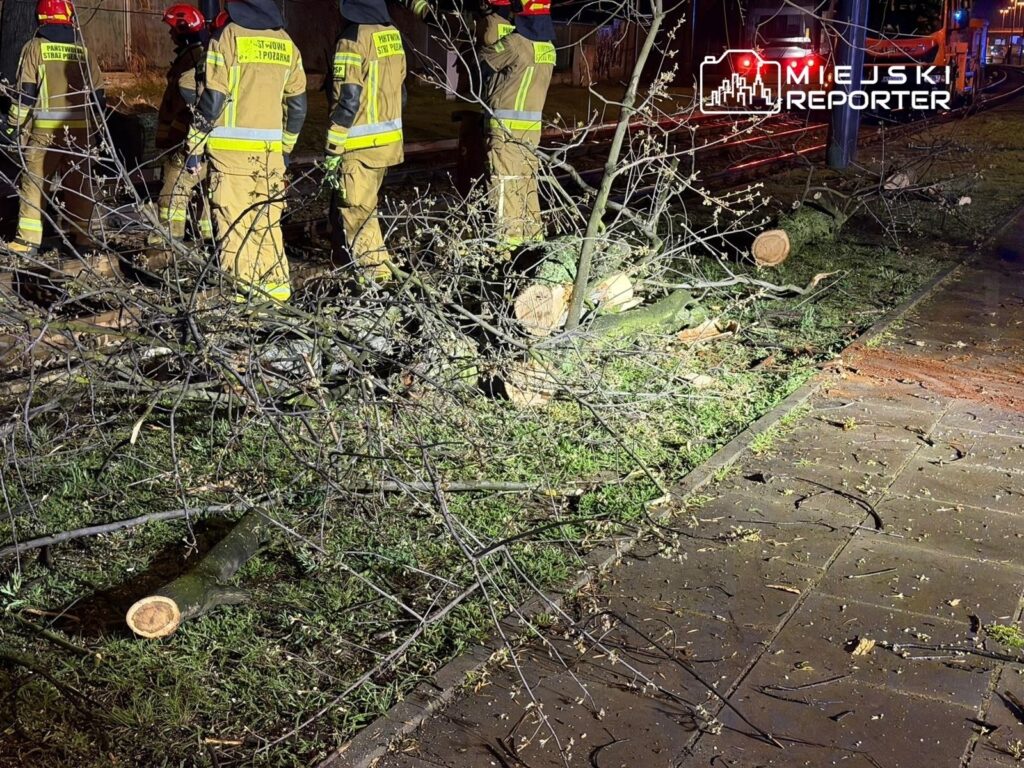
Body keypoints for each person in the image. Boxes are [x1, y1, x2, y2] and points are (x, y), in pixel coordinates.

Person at [186, 0, 307, 304]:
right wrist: (286, 148)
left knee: (235, 232)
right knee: (266, 227)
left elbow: (213, 99)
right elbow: (298, 107)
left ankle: (243, 314)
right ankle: (278, 302)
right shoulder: (286, 43)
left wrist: (194, 145)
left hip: (232, 158)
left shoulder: (227, 38)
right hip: (270, 157)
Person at [1, 0, 105, 258]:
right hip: (81, 131)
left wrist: (13, 128)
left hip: (45, 133)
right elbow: (99, 97)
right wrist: (97, 130)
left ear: (41, 18)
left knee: (34, 184)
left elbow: (25, 95)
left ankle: (27, 242)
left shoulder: (34, 48)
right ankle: (82, 238)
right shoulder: (84, 52)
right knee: (80, 185)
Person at [323, 0, 407, 283]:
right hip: (388, 142)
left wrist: (333, 147)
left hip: (359, 145)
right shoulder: (391, 34)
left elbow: (347, 100)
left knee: (357, 215)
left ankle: (375, 283)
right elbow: (402, 92)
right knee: (366, 208)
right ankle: (357, 269)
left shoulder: (351, 40)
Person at [480, 0, 555, 248]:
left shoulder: (514, 43)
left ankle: (506, 249)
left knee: (504, 188)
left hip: (506, 130)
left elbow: (484, 59)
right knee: (527, 186)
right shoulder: (549, 49)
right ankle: (533, 244)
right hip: (531, 132)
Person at [149, 3, 212, 257]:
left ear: (184, 30)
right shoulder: (193, 55)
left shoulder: (193, 58)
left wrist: (186, 123)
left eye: (172, 29)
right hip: (189, 137)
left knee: (173, 192)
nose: (170, 34)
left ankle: (170, 243)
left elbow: (190, 93)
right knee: (201, 194)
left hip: (187, 140)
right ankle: (206, 239)